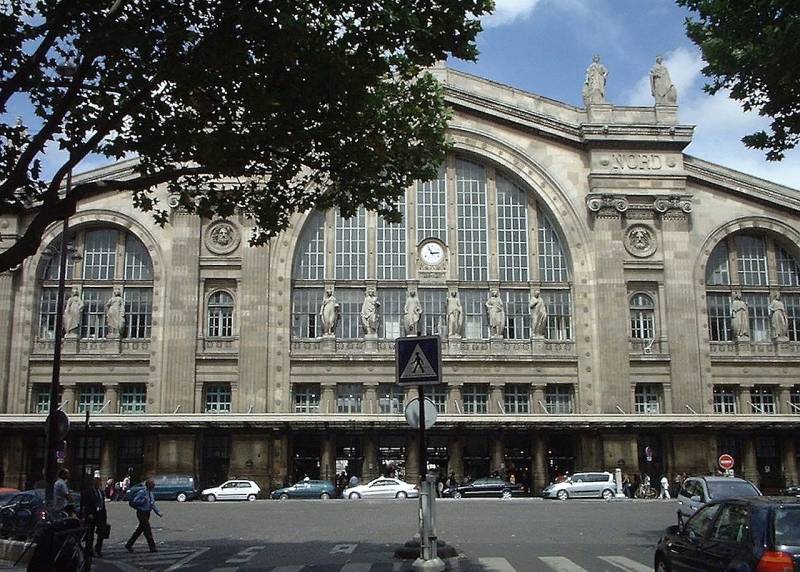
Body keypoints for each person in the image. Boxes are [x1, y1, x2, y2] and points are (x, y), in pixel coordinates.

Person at [125, 478, 162, 553]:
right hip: (141, 512)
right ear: (149, 485)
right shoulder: (142, 492)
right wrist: (143, 500)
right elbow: (135, 501)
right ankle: (152, 547)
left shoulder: (150, 493)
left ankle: (129, 544)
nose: (154, 486)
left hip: (147, 513)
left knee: (139, 530)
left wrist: (158, 512)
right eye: (153, 484)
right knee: (147, 530)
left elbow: (152, 504)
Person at [85, 476, 108, 557]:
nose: (99, 484)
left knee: (101, 532)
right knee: (90, 533)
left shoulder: (100, 491)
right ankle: (89, 549)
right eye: (97, 482)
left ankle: (98, 548)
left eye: (99, 482)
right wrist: (89, 513)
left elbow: (102, 503)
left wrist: (104, 514)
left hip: (100, 513)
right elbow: (86, 503)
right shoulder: (89, 491)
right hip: (92, 514)